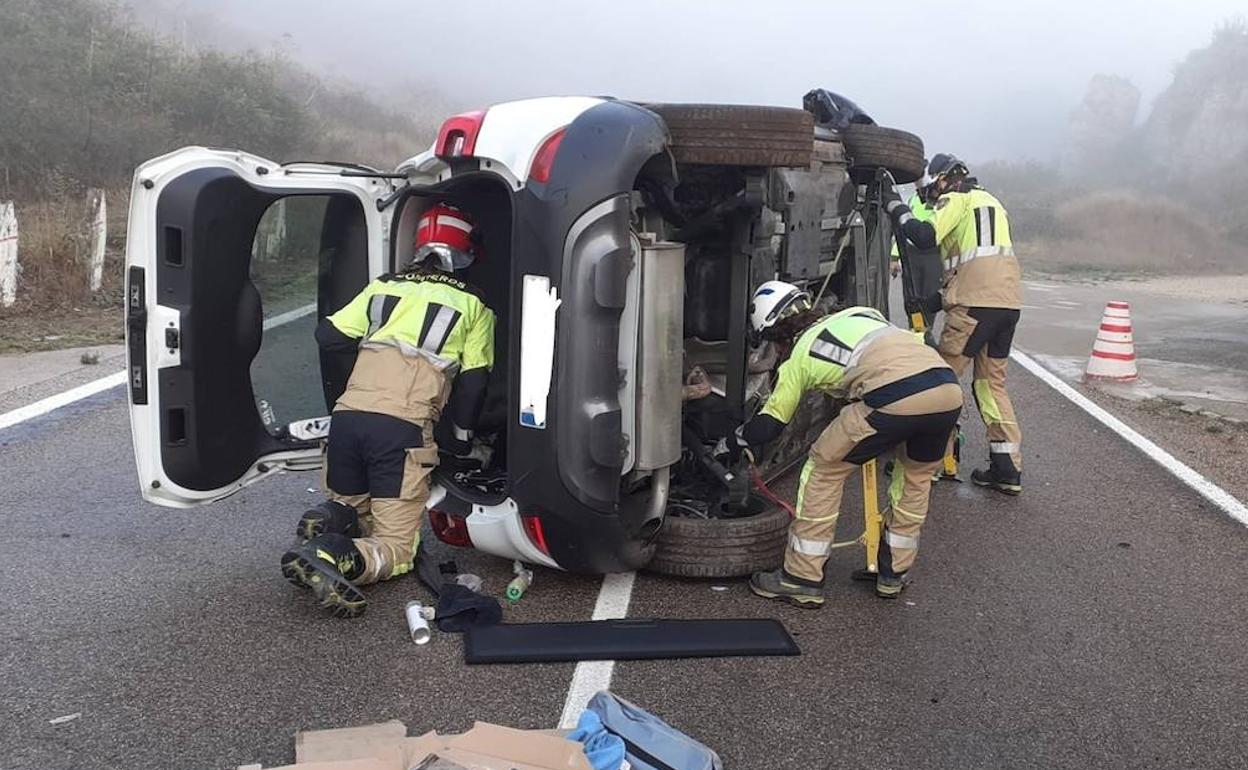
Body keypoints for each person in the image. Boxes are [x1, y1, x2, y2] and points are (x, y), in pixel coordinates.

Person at [281, 203, 496, 617]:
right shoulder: (474, 307)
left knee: (356, 510)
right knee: (398, 548)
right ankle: (329, 556)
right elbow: (474, 382)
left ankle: (327, 519)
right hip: (399, 433)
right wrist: (463, 437)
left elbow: (328, 335)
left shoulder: (382, 288)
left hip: (346, 422)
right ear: (466, 252)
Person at [734, 281, 963, 605]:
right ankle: (892, 574)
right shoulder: (861, 314)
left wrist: (736, 439)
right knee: (915, 478)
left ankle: (802, 576)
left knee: (822, 469)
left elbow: (771, 423)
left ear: (778, 336)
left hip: (893, 396)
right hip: (946, 390)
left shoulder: (800, 353)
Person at [884, 154, 1023, 495]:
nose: (932, 198)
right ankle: (1006, 467)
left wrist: (894, 207)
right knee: (991, 385)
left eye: (934, 190)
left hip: (973, 306)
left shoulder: (956, 199)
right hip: (1005, 304)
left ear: (945, 180)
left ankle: (927, 463)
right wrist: (935, 300)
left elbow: (924, 235)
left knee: (941, 380)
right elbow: (975, 262)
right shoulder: (991, 201)